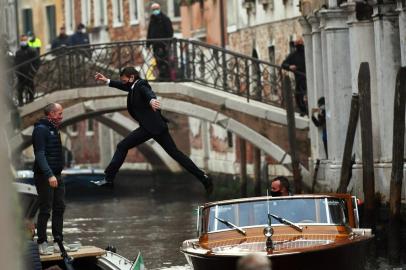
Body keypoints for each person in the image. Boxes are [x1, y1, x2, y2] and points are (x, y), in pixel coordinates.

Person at [93, 67, 213, 194]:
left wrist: (151, 100)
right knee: (176, 154)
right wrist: (107, 81)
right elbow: (124, 86)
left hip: (150, 127)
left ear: (132, 78)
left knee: (122, 146)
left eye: (124, 80)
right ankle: (204, 178)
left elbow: (148, 92)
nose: (123, 83)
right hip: (155, 127)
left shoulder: (141, 85)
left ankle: (109, 179)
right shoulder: (133, 87)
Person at [32, 103, 76, 255]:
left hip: (57, 175)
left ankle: (58, 241)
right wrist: (49, 174)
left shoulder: (53, 129)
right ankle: (42, 242)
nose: (61, 117)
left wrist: (56, 174)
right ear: (50, 114)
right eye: (59, 114)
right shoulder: (40, 130)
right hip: (45, 176)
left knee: (60, 207)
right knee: (45, 209)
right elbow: (40, 155)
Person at [147, 2, 174, 81]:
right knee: (157, 61)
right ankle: (161, 76)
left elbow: (170, 32)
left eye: (156, 9)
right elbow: (149, 32)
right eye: (153, 9)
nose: (155, 10)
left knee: (165, 61)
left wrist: (168, 44)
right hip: (155, 45)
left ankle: (166, 77)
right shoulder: (152, 19)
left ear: (159, 9)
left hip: (164, 45)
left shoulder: (165, 19)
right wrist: (148, 45)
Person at [282, 37, 307, 116]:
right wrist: (290, 67)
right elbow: (284, 64)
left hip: (308, 78)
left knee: (302, 95)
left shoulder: (307, 52)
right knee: (298, 96)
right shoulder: (293, 55)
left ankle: (306, 111)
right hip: (299, 79)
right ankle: (304, 111)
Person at [14, 34, 40, 106]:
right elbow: (15, 63)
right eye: (22, 40)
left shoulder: (32, 51)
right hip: (20, 76)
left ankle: (31, 105)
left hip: (29, 75)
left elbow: (37, 62)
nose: (23, 42)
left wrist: (33, 72)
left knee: (30, 91)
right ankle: (21, 105)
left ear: (27, 40)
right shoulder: (18, 52)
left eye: (25, 40)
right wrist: (17, 72)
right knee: (20, 91)